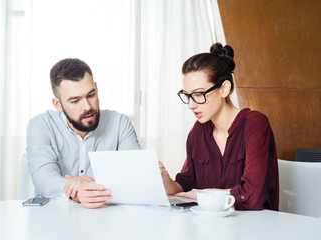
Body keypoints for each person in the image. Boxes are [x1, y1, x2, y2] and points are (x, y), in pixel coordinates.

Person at [160, 43, 279, 210]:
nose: (191, 105)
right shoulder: (198, 131)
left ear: (224, 88)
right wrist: (165, 180)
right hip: (210, 227)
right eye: (187, 96)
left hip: (254, 228)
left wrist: (204, 196)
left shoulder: (255, 124)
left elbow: (253, 196)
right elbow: (187, 185)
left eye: (198, 94)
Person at [27, 58, 140, 208]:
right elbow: (44, 178)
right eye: (75, 101)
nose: (87, 106)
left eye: (91, 95)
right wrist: (78, 190)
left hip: (108, 218)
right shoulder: (41, 125)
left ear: (96, 89)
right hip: (54, 218)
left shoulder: (120, 124)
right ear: (58, 104)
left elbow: (134, 175)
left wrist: (88, 189)